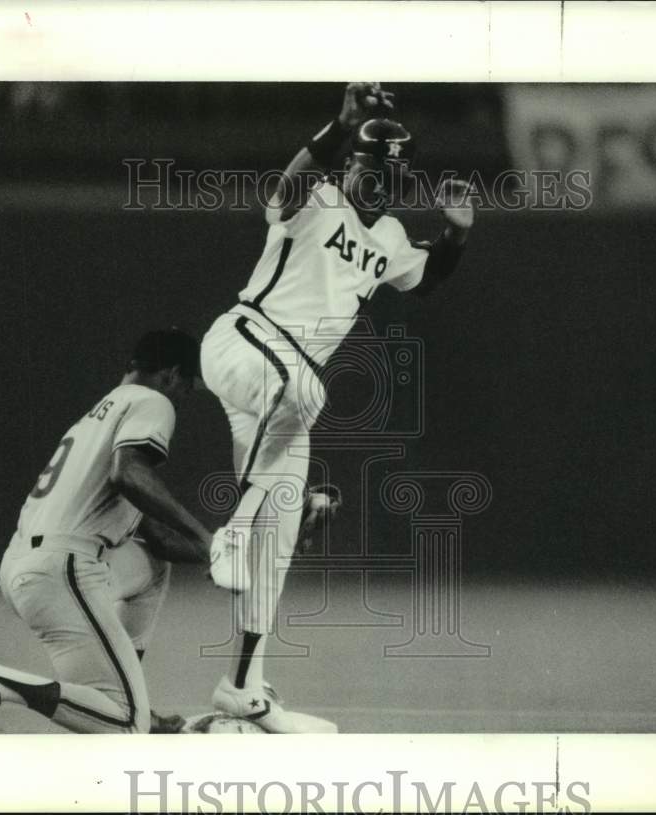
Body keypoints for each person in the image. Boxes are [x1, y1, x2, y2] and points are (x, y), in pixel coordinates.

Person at [201, 82, 474, 732]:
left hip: (286, 388)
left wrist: (457, 236)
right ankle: (235, 526)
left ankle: (243, 685)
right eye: (367, 165)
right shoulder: (317, 198)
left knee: (282, 537)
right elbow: (289, 186)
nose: (376, 179)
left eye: (389, 173)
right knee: (305, 393)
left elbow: (424, 276)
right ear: (349, 163)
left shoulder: (392, 238)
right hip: (246, 340)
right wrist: (335, 127)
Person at [0, 329, 212, 734]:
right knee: (127, 726)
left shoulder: (98, 415)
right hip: (61, 570)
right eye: (187, 385)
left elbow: (158, 540)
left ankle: (127, 695)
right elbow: (128, 473)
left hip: (28, 566)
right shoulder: (152, 400)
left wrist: (216, 552)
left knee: (153, 568)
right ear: (171, 373)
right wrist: (205, 538)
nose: (185, 394)